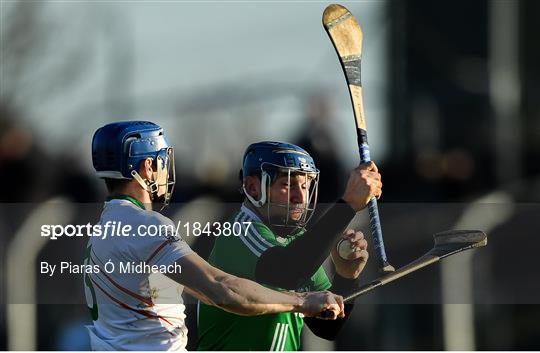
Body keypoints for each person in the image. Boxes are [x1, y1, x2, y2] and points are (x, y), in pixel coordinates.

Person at [83, 122, 345, 351]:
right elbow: (222, 289)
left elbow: (208, 294)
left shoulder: (101, 232)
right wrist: (301, 302)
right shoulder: (146, 225)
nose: (166, 171)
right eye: (162, 161)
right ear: (147, 166)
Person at [197, 141, 382, 351]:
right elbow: (284, 272)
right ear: (252, 187)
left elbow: (327, 327)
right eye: (287, 185)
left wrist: (346, 277)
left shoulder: (296, 241)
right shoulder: (240, 231)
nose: (300, 196)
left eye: (305, 186)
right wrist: (348, 203)